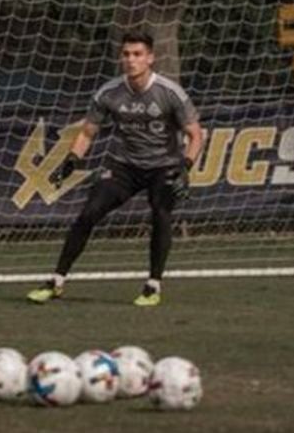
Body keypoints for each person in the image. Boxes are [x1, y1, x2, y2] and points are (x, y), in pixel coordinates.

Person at [27, 31, 205, 307]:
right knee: (88, 214)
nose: (131, 60)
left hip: (165, 166)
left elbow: (196, 135)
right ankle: (56, 281)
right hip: (124, 165)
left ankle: (152, 286)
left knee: (161, 213)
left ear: (150, 58)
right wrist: (72, 159)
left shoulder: (170, 93)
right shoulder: (109, 92)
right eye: (126, 54)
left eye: (137, 54)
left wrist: (186, 166)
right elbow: (87, 132)